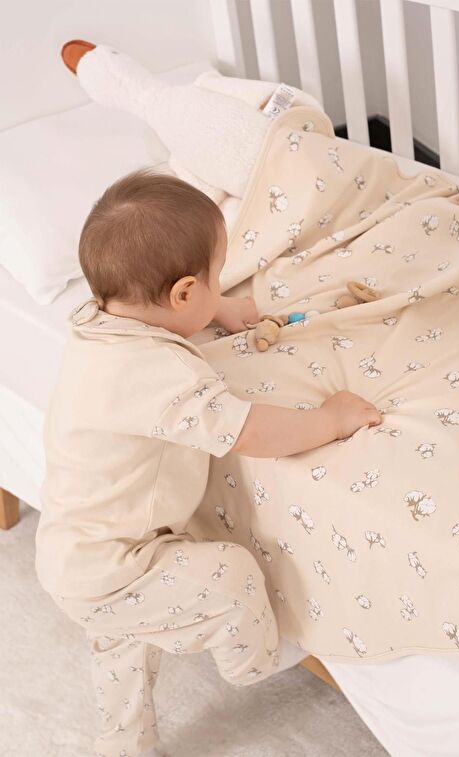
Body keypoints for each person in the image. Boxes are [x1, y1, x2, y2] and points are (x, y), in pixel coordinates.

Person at [35, 169, 382, 757]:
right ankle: (255, 663)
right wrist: (331, 419)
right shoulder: (157, 374)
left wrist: (216, 309)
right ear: (182, 294)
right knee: (228, 575)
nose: (219, 287)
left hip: (72, 552)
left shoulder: (99, 323)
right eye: (213, 278)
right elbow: (249, 431)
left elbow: (164, 314)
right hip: (117, 568)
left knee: (121, 645)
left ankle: (122, 743)